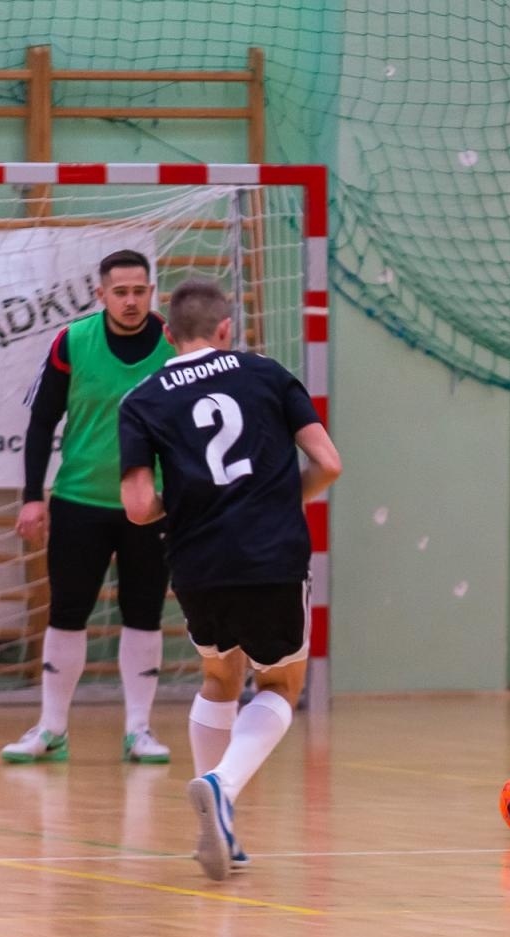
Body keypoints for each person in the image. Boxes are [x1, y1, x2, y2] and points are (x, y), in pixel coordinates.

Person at [119, 278, 341, 882]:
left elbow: (138, 507)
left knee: (219, 676)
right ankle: (221, 787)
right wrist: (277, 499)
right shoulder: (265, 373)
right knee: (278, 685)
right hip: (270, 555)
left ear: (167, 336)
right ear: (226, 329)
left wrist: (190, 504)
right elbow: (329, 463)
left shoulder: (142, 398)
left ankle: (219, 830)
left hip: (197, 562)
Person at [4, 249, 177, 764]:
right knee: (67, 613)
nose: (130, 301)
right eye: (119, 292)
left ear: (153, 292)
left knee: (144, 614)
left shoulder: (174, 344)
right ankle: (52, 729)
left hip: (153, 506)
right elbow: (40, 423)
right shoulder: (73, 342)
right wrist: (34, 496)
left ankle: (139, 730)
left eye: (139, 291)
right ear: (100, 295)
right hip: (81, 500)